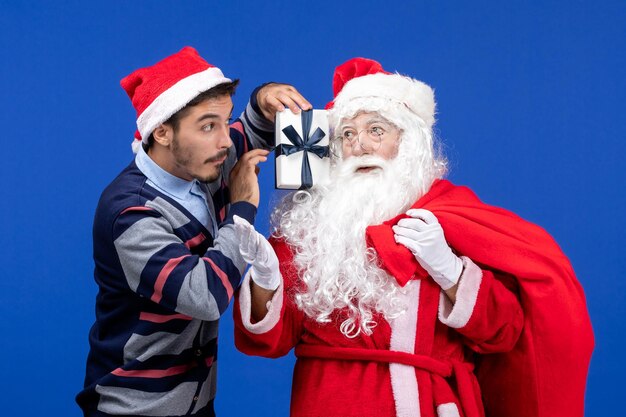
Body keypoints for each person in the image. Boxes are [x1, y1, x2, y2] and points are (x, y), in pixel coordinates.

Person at [232, 57, 594, 417]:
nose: (360, 145)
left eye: (376, 130)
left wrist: (451, 272)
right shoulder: (311, 225)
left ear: (409, 142)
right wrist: (265, 280)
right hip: (327, 402)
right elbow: (269, 341)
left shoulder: (451, 216)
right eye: (347, 134)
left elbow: (503, 332)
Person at [76, 46, 311, 417]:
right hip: (136, 405)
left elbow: (251, 130)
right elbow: (205, 295)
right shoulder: (130, 212)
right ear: (163, 132)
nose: (223, 140)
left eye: (225, 121)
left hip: (196, 401)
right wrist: (242, 210)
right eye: (207, 126)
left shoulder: (203, 162)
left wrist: (265, 97)